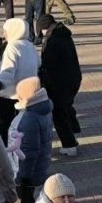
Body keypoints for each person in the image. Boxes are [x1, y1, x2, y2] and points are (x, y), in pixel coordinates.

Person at [37, 14, 82, 157]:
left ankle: (69, 145)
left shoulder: (53, 40)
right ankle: (73, 133)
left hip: (61, 82)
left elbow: (48, 63)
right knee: (66, 107)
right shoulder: (62, 34)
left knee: (59, 112)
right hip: (72, 79)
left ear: (45, 28)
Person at [12, 77, 54, 203]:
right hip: (40, 165)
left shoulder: (29, 119)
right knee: (30, 199)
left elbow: (28, 152)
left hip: (27, 171)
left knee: (25, 202)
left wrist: (23, 176)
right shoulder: (44, 109)